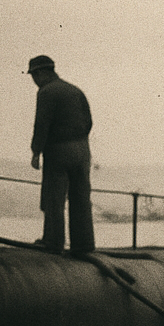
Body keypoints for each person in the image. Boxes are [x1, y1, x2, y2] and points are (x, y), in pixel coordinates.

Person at [27, 54, 95, 254]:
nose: (34, 80)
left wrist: (36, 151)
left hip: (58, 151)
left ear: (39, 73)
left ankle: (53, 242)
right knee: (81, 198)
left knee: (54, 199)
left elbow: (42, 125)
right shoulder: (75, 90)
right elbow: (89, 121)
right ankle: (84, 245)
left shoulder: (46, 92)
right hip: (82, 151)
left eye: (33, 75)